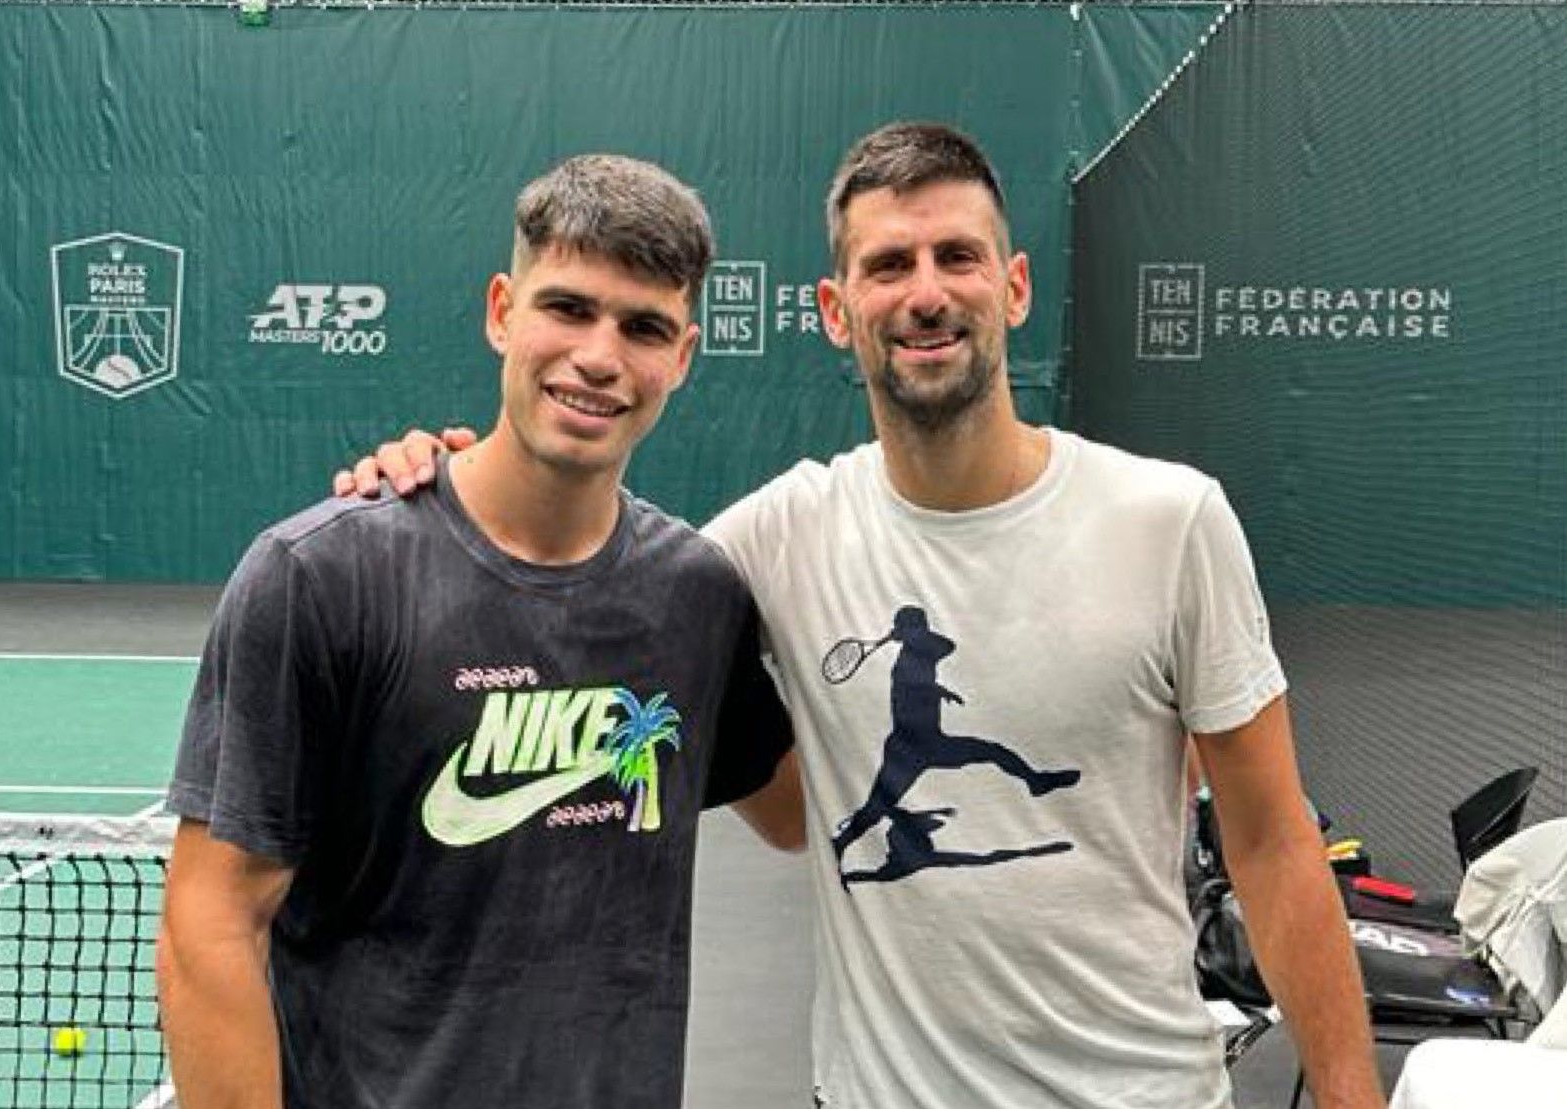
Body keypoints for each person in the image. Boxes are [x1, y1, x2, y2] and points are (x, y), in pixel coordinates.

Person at [335, 123, 1386, 1107]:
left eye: (956, 258)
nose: (925, 293)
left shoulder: (1170, 519)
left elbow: (1271, 839)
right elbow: (596, 589)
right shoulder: (764, 545)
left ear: (1012, 287)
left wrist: (1349, 1097)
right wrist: (432, 479)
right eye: (887, 266)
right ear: (837, 309)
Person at [157, 154, 802, 1109]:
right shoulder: (322, 576)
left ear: (683, 355)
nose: (599, 356)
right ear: (503, 309)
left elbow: (801, 815)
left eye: (644, 326)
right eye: (569, 308)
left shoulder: (697, 598)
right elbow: (211, 918)